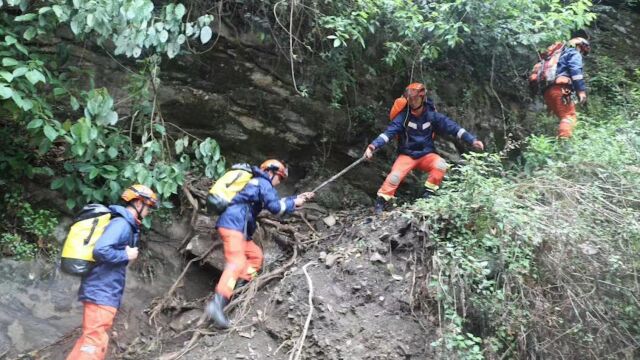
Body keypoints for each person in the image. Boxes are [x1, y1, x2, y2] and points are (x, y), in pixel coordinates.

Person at [206, 159, 314, 329]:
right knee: (237, 262)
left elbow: (274, 202)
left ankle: (237, 289)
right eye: (280, 177)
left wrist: (296, 199)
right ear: (271, 172)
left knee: (255, 256)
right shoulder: (263, 182)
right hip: (233, 225)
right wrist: (294, 203)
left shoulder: (257, 183)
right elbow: (276, 208)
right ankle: (217, 306)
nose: (279, 182)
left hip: (239, 228)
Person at [66, 185, 158, 360]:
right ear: (139, 203)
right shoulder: (121, 223)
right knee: (93, 343)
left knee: (92, 339)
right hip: (102, 291)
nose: (149, 212)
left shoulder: (123, 223)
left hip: (102, 290)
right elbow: (100, 250)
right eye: (149, 207)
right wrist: (125, 254)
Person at [364, 82, 484, 214]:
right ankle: (380, 203)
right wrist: (372, 146)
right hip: (407, 154)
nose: (413, 101)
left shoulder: (432, 116)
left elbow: (453, 127)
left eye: (416, 98)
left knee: (441, 165)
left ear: (422, 98)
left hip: (426, 154)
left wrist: (472, 140)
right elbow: (388, 133)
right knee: (395, 177)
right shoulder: (403, 116)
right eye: (410, 99)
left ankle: (428, 196)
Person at [534, 37, 591, 138]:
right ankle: (564, 147)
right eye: (582, 50)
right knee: (569, 116)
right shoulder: (573, 53)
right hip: (562, 89)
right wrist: (581, 91)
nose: (581, 53)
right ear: (579, 45)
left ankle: (560, 142)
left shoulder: (555, 56)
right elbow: (576, 71)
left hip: (548, 92)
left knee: (564, 119)